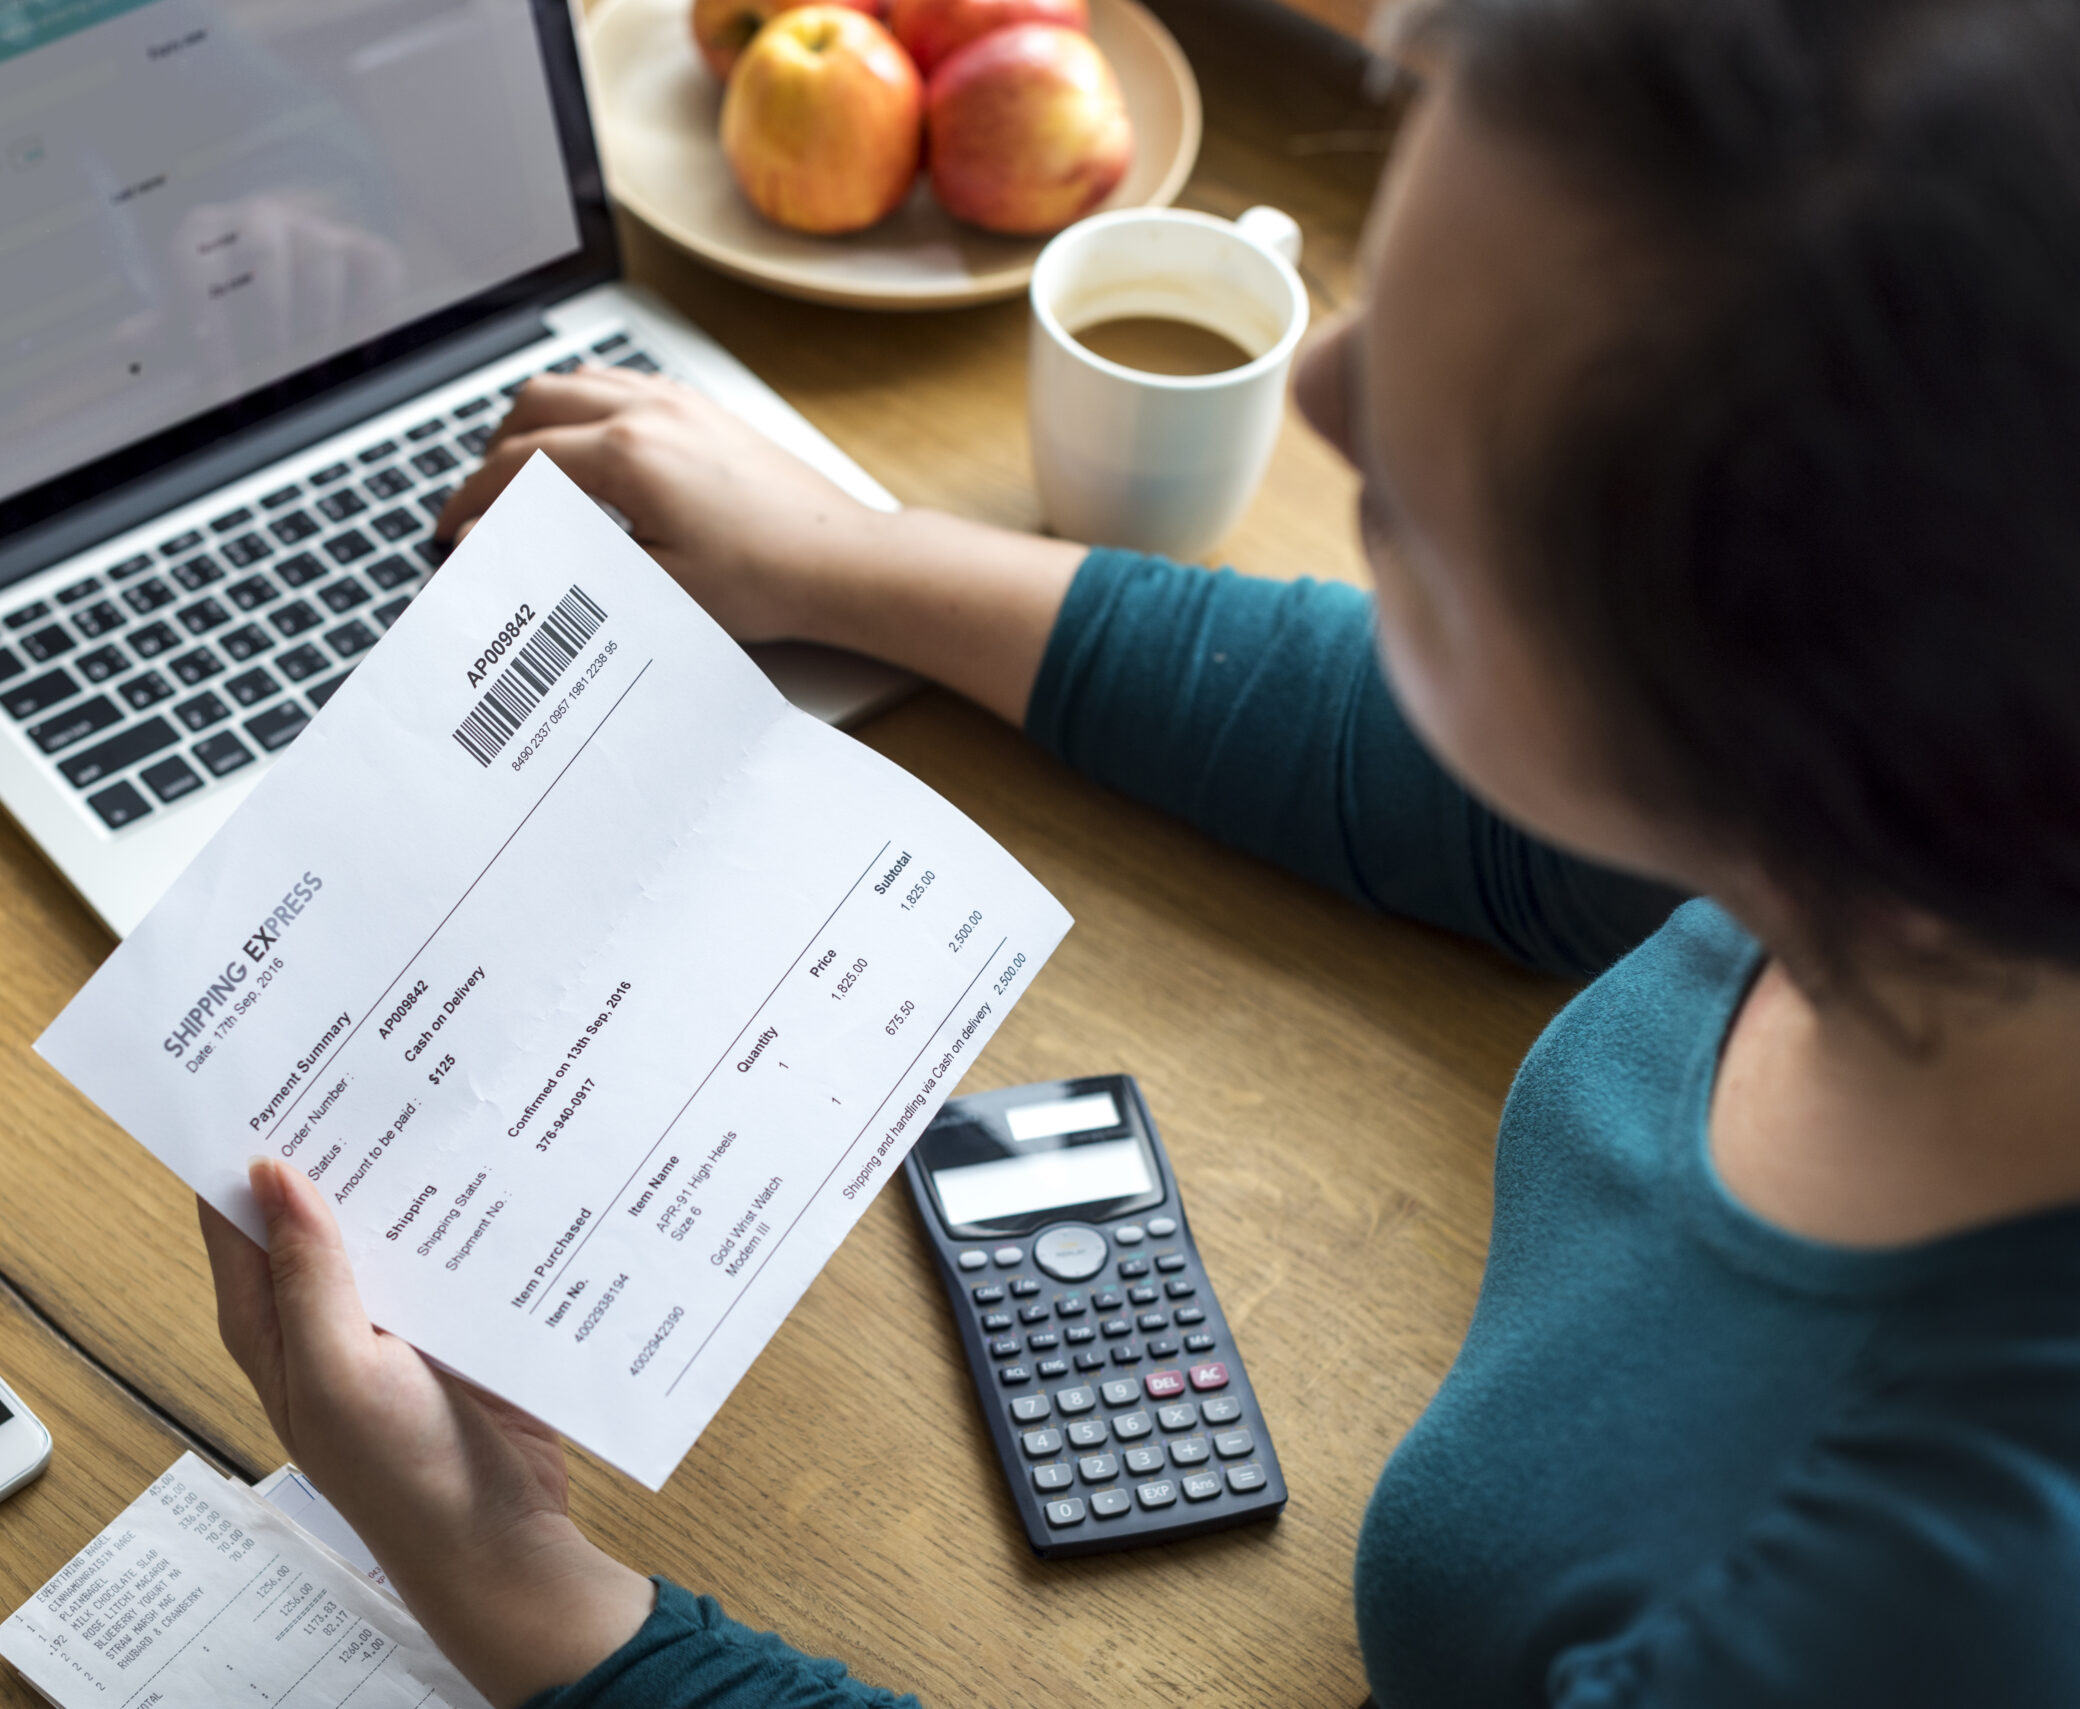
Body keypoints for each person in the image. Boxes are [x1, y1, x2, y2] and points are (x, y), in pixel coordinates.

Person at [196, 0, 2080, 1701]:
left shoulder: (1921, 1606)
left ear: (1795, 668)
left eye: (1437, 455)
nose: (1327, 395)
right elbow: (1489, 792)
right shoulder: (1965, 809)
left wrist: (504, 1574)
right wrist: (839, 557)